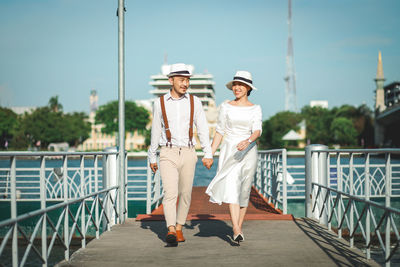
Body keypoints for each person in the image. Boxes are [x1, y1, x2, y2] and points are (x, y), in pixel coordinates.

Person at [148, 63, 214, 245]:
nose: (185, 84)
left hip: (188, 152)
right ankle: (170, 229)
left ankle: (179, 227)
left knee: (185, 193)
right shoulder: (159, 103)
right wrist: (152, 156)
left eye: (187, 80)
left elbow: (202, 130)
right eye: (181, 80)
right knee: (170, 192)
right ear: (171, 80)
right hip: (167, 152)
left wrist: (207, 154)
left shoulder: (195, 102)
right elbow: (155, 131)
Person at [205, 70, 262, 243]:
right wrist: (210, 153)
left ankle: (238, 227)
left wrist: (248, 140)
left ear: (248, 88)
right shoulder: (226, 106)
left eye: (241, 85)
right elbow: (220, 131)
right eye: (235, 85)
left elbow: (257, 130)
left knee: (244, 191)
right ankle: (236, 229)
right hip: (230, 150)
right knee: (231, 187)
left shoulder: (255, 108)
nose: (237, 87)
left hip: (248, 150)